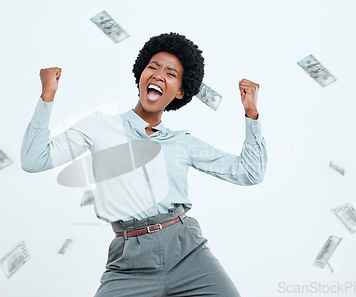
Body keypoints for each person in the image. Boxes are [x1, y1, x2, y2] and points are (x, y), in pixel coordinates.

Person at [21, 32, 267, 297]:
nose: (159, 75)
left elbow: (249, 172)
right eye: (153, 67)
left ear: (181, 91)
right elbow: (34, 160)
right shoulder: (99, 126)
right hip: (129, 263)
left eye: (171, 74)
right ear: (140, 74)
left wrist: (251, 114)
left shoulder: (182, 142)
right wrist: (47, 95)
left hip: (187, 253)